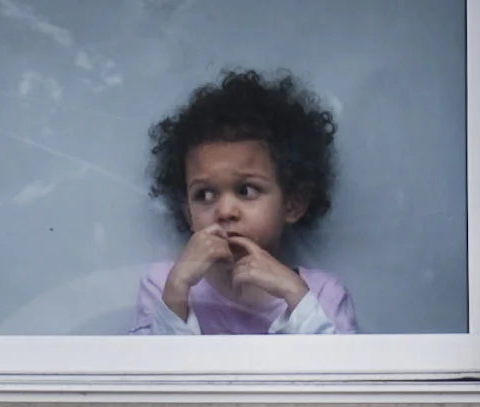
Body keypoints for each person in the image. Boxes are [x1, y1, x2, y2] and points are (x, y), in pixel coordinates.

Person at [134, 69, 357, 338]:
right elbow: (151, 374)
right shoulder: (163, 285)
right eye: (204, 194)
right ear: (189, 214)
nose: (225, 211)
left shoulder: (322, 293)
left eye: (246, 190)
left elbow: (340, 374)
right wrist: (177, 291)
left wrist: (294, 293)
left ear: (293, 204)